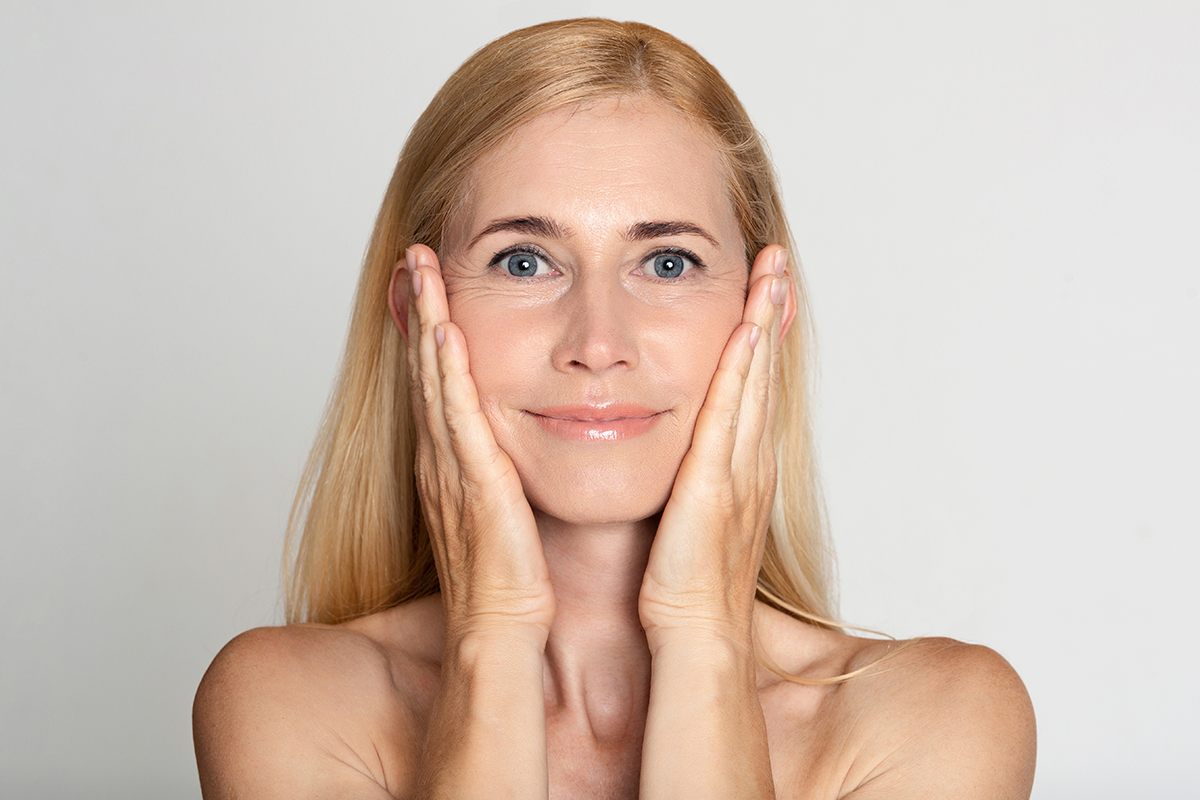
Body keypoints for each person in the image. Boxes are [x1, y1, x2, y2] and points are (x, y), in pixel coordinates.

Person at [193, 18, 1035, 799]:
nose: (598, 341)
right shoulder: (289, 701)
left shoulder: (935, 723)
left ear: (764, 313)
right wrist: (492, 637)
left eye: (666, 264)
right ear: (419, 315)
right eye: (525, 262)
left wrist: (706, 637)